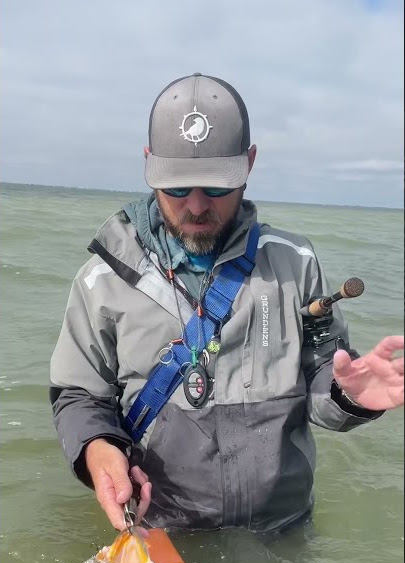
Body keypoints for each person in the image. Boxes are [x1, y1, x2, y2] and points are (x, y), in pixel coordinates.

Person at [50, 72, 404, 534]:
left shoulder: (295, 263)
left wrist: (349, 397)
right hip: (162, 528)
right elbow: (78, 394)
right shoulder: (102, 279)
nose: (197, 206)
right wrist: (98, 451)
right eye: (177, 187)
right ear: (148, 164)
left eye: (216, 187)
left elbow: (322, 378)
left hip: (282, 527)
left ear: (250, 163)